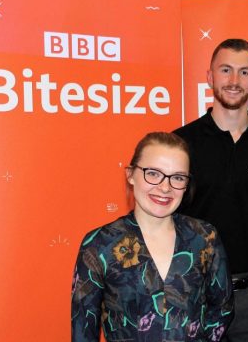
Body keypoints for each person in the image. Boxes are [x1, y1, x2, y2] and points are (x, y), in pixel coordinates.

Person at [71, 132, 233, 342]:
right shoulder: (99, 244)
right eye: (153, 173)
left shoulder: (204, 237)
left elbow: (223, 308)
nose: (165, 188)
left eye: (177, 177)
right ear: (130, 174)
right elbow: (83, 329)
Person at [174, 39, 248, 341]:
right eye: (226, 70)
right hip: (195, 294)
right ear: (210, 77)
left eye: (244, 72)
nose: (234, 81)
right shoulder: (179, 144)